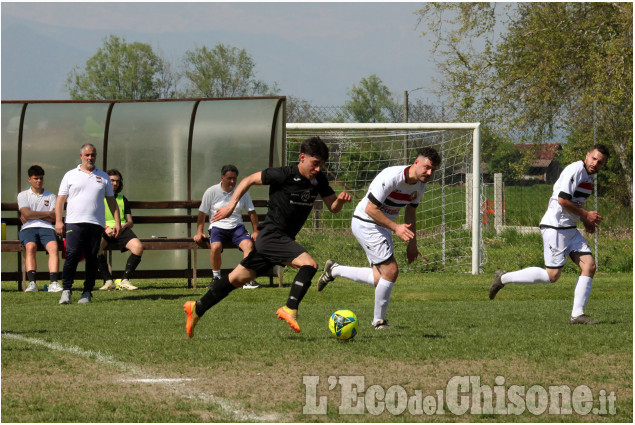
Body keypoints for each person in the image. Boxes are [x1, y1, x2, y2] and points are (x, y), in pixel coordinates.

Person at [183, 136, 351, 337]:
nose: (318, 169)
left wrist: (340, 201)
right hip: (272, 235)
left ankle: (197, 308)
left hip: (277, 240)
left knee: (235, 279)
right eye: (315, 164)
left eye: (322, 165)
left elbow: (332, 207)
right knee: (310, 265)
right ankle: (290, 308)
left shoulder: (319, 180)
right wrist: (231, 206)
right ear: (302, 157)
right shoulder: (283, 174)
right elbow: (248, 180)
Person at [317, 147, 441, 329]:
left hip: (381, 226)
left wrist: (412, 244)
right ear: (416, 162)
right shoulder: (391, 176)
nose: (429, 173)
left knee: (380, 278)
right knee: (390, 271)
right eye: (427, 167)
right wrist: (396, 228)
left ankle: (334, 270)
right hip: (366, 222)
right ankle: (378, 322)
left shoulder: (421, 184)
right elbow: (370, 209)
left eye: (433, 170)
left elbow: (411, 213)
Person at [488, 145, 609, 325]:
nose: (595, 163)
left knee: (589, 266)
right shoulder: (574, 170)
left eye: (600, 162)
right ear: (587, 156)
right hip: (556, 227)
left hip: (570, 229)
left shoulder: (588, 177)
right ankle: (503, 278)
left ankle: (577, 315)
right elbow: (562, 200)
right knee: (552, 275)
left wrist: (584, 221)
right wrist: (585, 215)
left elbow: (576, 202)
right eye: (594, 159)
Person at [55, 143, 121, 304]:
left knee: (92, 258)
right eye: (87, 155)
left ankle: (87, 293)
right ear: (81, 156)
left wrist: (117, 222)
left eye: (93, 155)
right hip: (74, 223)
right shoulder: (70, 175)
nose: (90, 158)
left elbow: (112, 202)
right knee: (72, 255)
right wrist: (58, 221)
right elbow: (60, 200)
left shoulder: (103, 176)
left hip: (95, 223)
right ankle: (66, 291)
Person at [194, 164, 261, 289]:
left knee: (249, 245)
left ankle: (246, 279)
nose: (232, 181)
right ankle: (216, 278)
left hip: (237, 227)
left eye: (234, 178)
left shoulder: (243, 192)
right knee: (215, 246)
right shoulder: (211, 191)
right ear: (222, 178)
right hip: (217, 227)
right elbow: (202, 213)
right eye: (229, 178)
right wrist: (199, 232)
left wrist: (256, 231)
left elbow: (252, 212)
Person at [17, 165, 63, 293]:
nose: (39, 181)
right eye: (36, 178)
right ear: (29, 179)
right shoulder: (23, 195)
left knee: (53, 247)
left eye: (41, 178)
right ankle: (32, 283)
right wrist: (46, 214)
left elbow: (54, 217)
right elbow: (26, 214)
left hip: (47, 228)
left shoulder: (51, 196)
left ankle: (54, 283)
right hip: (28, 228)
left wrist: (32, 215)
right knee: (30, 247)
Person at [96, 169, 143, 291]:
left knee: (138, 247)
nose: (115, 183)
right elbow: (93, 217)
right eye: (112, 180)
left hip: (121, 229)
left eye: (117, 181)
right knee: (96, 248)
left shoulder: (123, 199)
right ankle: (108, 281)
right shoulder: (98, 197)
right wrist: (106, 228)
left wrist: (123, 226)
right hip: (103, 228)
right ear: (106, 181)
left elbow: (130, 222)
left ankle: (125, 281)